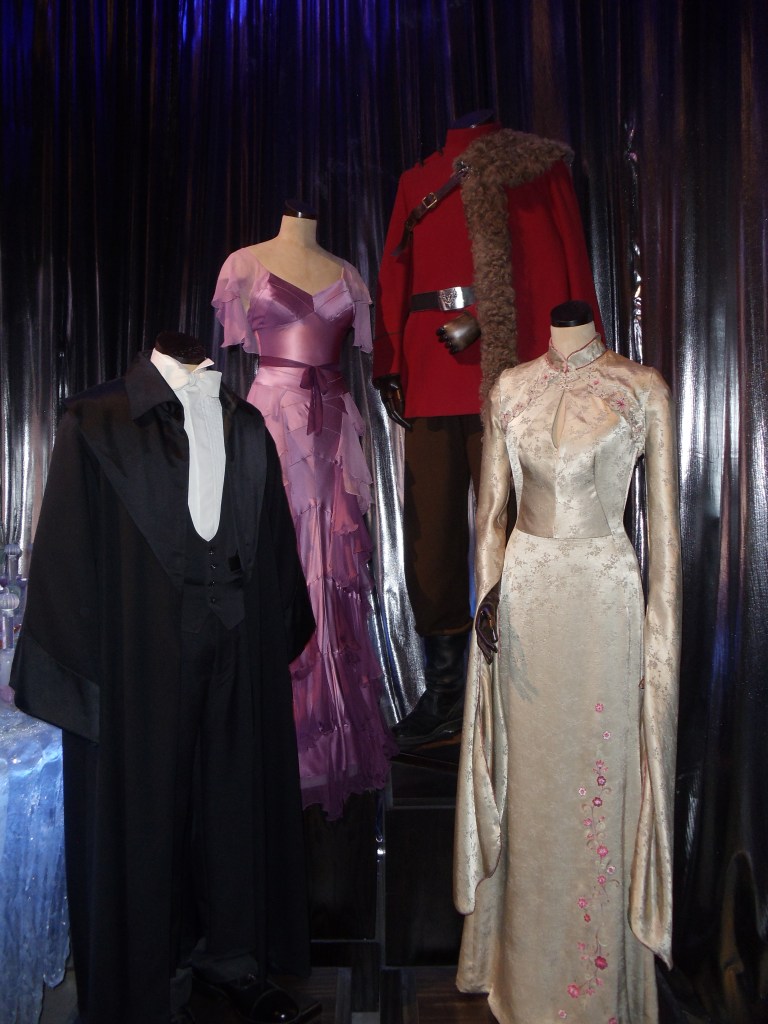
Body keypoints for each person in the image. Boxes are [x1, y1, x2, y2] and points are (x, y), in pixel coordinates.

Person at [11, 332, 319, 1024]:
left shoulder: (246, 423)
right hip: (141, 653)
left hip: (237, 637)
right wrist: (84, 683)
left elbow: (271, 540)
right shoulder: (96, 421)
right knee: (146, 816)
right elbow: (64, 555)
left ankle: (233, 961)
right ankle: (150, 983)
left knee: (234, 802)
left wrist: (267, 637)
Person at [454, 301, 682, 1023]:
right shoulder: (510, 387)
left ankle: (597, 990)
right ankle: (518, 973)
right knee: (529, 786)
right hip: (525, 604)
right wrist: (488, 595)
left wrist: (659, 644)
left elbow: (666, 538)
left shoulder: (642, 389)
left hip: (604, 603)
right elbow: (490, 513)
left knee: (595, 786)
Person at [374, 118, 603, 748]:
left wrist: (581, 362)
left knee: (520, 534)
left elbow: (563, 268)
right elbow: (395, 271)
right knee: (432, 538)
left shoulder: (534, 167)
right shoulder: (419, 180)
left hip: (515, 375)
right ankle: (447, 690)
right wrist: (389, 361)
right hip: (429, 375)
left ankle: (522, 684)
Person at [212, 203, 397, 820]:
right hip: (273, 423)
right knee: (281, 551)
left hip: (333, 426)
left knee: (332, 563)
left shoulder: (348, 274)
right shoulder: (243, 265)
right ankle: (278, 733)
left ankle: (331, 736)